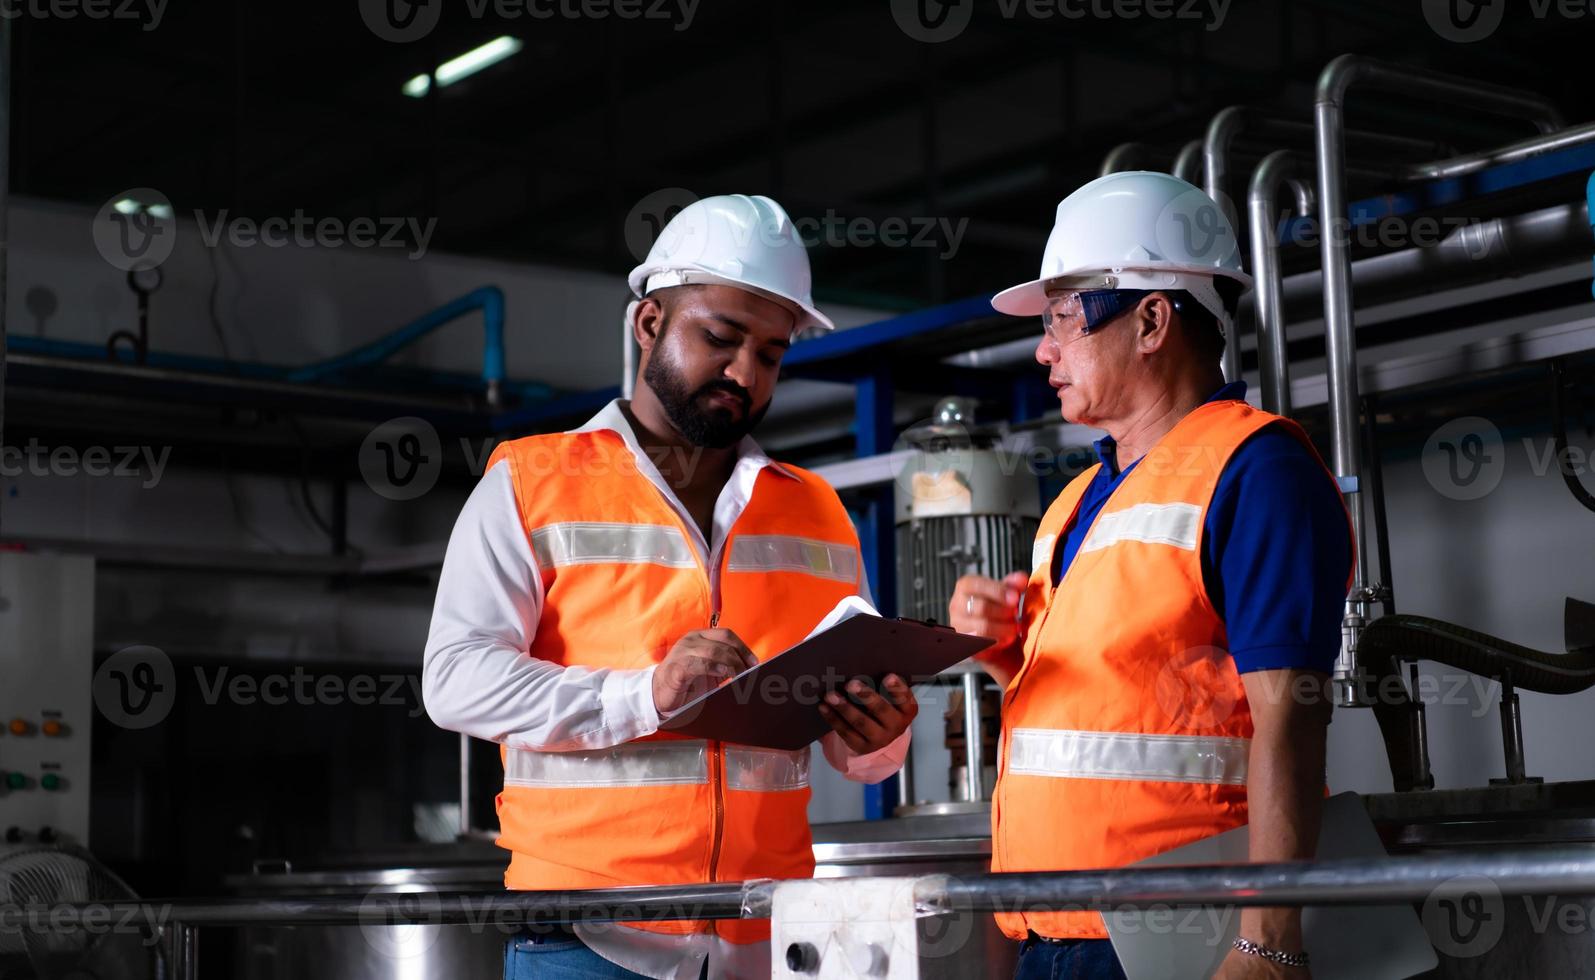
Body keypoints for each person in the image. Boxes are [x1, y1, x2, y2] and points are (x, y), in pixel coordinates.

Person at [424, 194, 917, 980]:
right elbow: (454, 681)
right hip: (588, 939)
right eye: (719, 338)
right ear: (648, 324)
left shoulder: (817, 510)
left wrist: (878, 737)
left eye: (771, 353)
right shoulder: (531, 483)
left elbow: (851, 751)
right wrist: (646, 695)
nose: (743, 373)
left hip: (769, 937)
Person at [949, 172, 1353, 980]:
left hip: (1175, 944)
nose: (1042, 347)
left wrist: (1267, 942)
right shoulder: (1074, 501)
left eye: (1062, 317)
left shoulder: (1256, 468)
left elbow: (1292, 717)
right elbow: (1110, 712)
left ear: (1151, 321)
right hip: (1054, 937)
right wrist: (1002, 658)